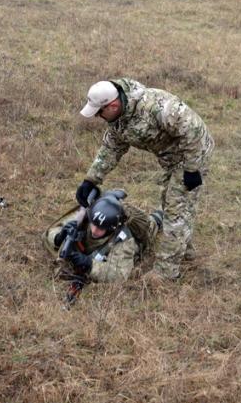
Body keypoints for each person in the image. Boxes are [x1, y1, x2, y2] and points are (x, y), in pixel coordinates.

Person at [76, 78, 214, 280]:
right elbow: (111, 148)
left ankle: (166, 274)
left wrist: (193, 169)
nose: (97, 116)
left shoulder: (157, 107)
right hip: (171, 159)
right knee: (171, 204)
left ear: (112, 105)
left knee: (177, 209)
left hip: (192, 155)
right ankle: (186, 252)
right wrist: (91, 180)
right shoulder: (118, 118)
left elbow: (194, 130)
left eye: (99, 112)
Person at [43, 190, 161, 283]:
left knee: (153, 223)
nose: (94, 230)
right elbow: (50, 232)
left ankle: (160, 214)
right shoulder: (87, 216)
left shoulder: (124, 239)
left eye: (100, 228)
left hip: (143, 229)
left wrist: (89, 264)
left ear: (110, 229)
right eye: (93, 224)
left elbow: (119, 274)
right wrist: (58, 237)